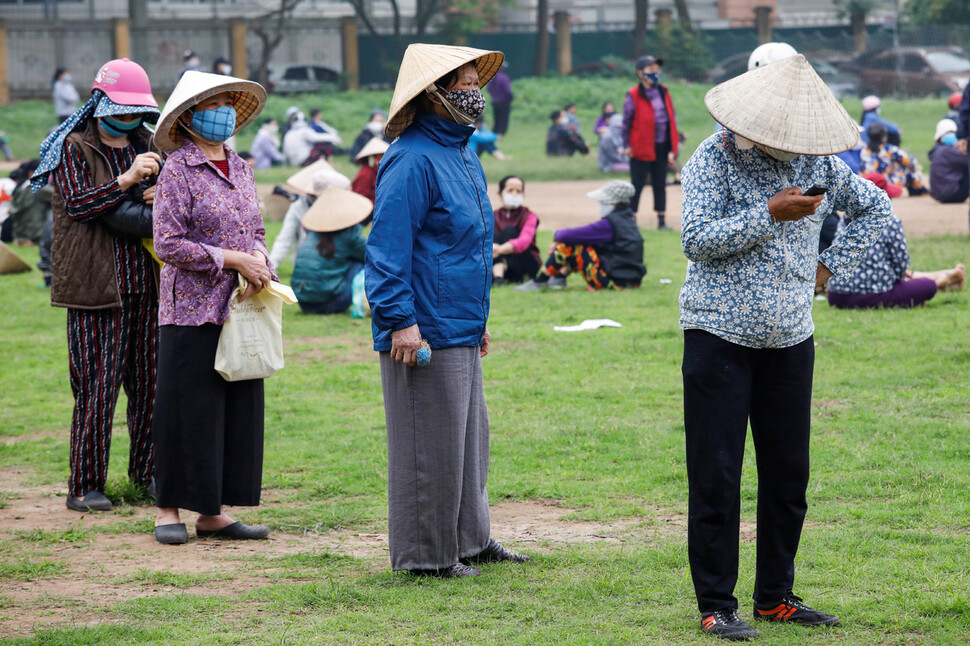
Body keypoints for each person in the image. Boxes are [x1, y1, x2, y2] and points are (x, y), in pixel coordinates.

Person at [679, 55, 891, 640]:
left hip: (791, 338)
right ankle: (716, 604)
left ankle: (775, 596)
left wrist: (830, 263)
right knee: (717, 475)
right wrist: (768, 214)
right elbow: (696, 242)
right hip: (717, 335)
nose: (789, 144)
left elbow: (875, 206)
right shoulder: (712, 160)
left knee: (787, 474)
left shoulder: (817, 161)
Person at [366, 43, 528, 578]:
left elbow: (470, 245)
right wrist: (400, 323)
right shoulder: (410, 158)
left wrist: (478, 323)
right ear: (432, 94)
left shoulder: (462, 152)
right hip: (422, 326)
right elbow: (387, 251)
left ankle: (471, 540)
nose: (473, 90)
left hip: (460, 321)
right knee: (427, 445)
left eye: (474, 80)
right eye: (461, 81)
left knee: (467, 441)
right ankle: (426, 556)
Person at [30, 58, 162, 513]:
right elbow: (80, 205)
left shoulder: (148, 143)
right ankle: (84, 486)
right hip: (95, 288)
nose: (128, 116)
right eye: (120, 107)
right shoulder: (74, 146)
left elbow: (166, 204)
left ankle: (147, 476)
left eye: (135, 109)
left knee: (150, 386)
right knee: (96, 388)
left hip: (148, 283)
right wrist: (127, 181)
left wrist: (158, 191)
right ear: (100, 103)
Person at [150, 70, 274, 545]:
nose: (224, 112)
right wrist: (230, 259)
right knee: (187, 407)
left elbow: (256, 231)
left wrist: (259, 261)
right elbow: (168, 243)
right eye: (213, 103)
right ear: (189, 115)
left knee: (233, 408)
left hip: (239, 307)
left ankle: (213, 512)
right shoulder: (177, 171)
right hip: (189, 310)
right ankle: (167, 508)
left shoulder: (242, 168)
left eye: (229, 102)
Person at [828, 173, 964, 309]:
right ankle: (942, 281)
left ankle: (945, 277)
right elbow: (900, 265)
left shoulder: (845, 219)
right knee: (926, 286)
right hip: (876, 295)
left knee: (908, 281)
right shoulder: (890, 221)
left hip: (836, 296)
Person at [516, 179, 645, 292]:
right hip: (632, 282)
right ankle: (559, 278)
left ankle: (540, 281)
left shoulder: (608, 224)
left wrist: (556, 235)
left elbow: (567, 235)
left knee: (571, 243)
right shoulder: (628, 219)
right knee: (580, 243)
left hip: (615, 283)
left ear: (613, 203)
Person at [622, 54, 679, 230]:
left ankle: (661, 221)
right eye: (650, 69)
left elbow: (671, 118)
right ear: (640, 73)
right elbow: (626, 122)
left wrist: (673, 147)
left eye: (657, 68)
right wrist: (626, 145)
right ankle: (632, 220)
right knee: (637, 184)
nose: (655, 72)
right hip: (641, 146)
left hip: (662, 145)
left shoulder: (664, 91)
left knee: (660, 183)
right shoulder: (633, 95)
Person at [292, 187, 370, 314]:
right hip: (332, 303)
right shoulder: (348, 235)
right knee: (359, 263)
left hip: (303, 303)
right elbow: (370, 255)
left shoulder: (312, 233)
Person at [269, 164, 350, 269]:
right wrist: (269, 268)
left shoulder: (340, 206)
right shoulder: (298, 207)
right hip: (306, 264)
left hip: (337, 263)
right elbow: (284, 240)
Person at [491, 175, 540, 286]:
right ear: (500, 193)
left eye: (518, 191)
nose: (514, 194)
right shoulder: (492, 216)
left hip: (524, 261)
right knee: (495, 236)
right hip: (499, 260)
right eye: (510, 190)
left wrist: (499, 249)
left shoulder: (529, 216)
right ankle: (499, 276)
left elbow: (524, 241)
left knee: (509, 231)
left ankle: (498, 276)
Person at [861, 122, 926, 195]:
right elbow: (909, 161)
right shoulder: (889, 149)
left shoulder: (864, 150)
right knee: (911, 168)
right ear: (883, 137)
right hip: (886, 184)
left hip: (868, 184)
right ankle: (919, 188)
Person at [9, 159, 51, 246]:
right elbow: (62, 197)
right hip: (33, 237)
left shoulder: (22, 185)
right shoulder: (38, 188)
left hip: (19, 235)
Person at [928, 118, 969, 204]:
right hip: (953, 194)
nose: (952, 135)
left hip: (940, 195)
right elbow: (966, 161)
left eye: (953, 133)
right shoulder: (948, 151)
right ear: (940, 137)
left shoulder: (937, 149)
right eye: (948, 133)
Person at [351, 137, 388, 204]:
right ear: (372, 158)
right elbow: (359, 198)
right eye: (380, 156)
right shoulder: (365, 174)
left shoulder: (378, 172)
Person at [487, 60, 513, 140]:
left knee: (497, 119)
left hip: (495, 102)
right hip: (504, 101)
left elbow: (489, 89)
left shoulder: (492, 78)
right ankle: (501, 136)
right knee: (504, 119)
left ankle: (494, 135)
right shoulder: (504, 78)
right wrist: (511, 97)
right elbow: (508, 91)